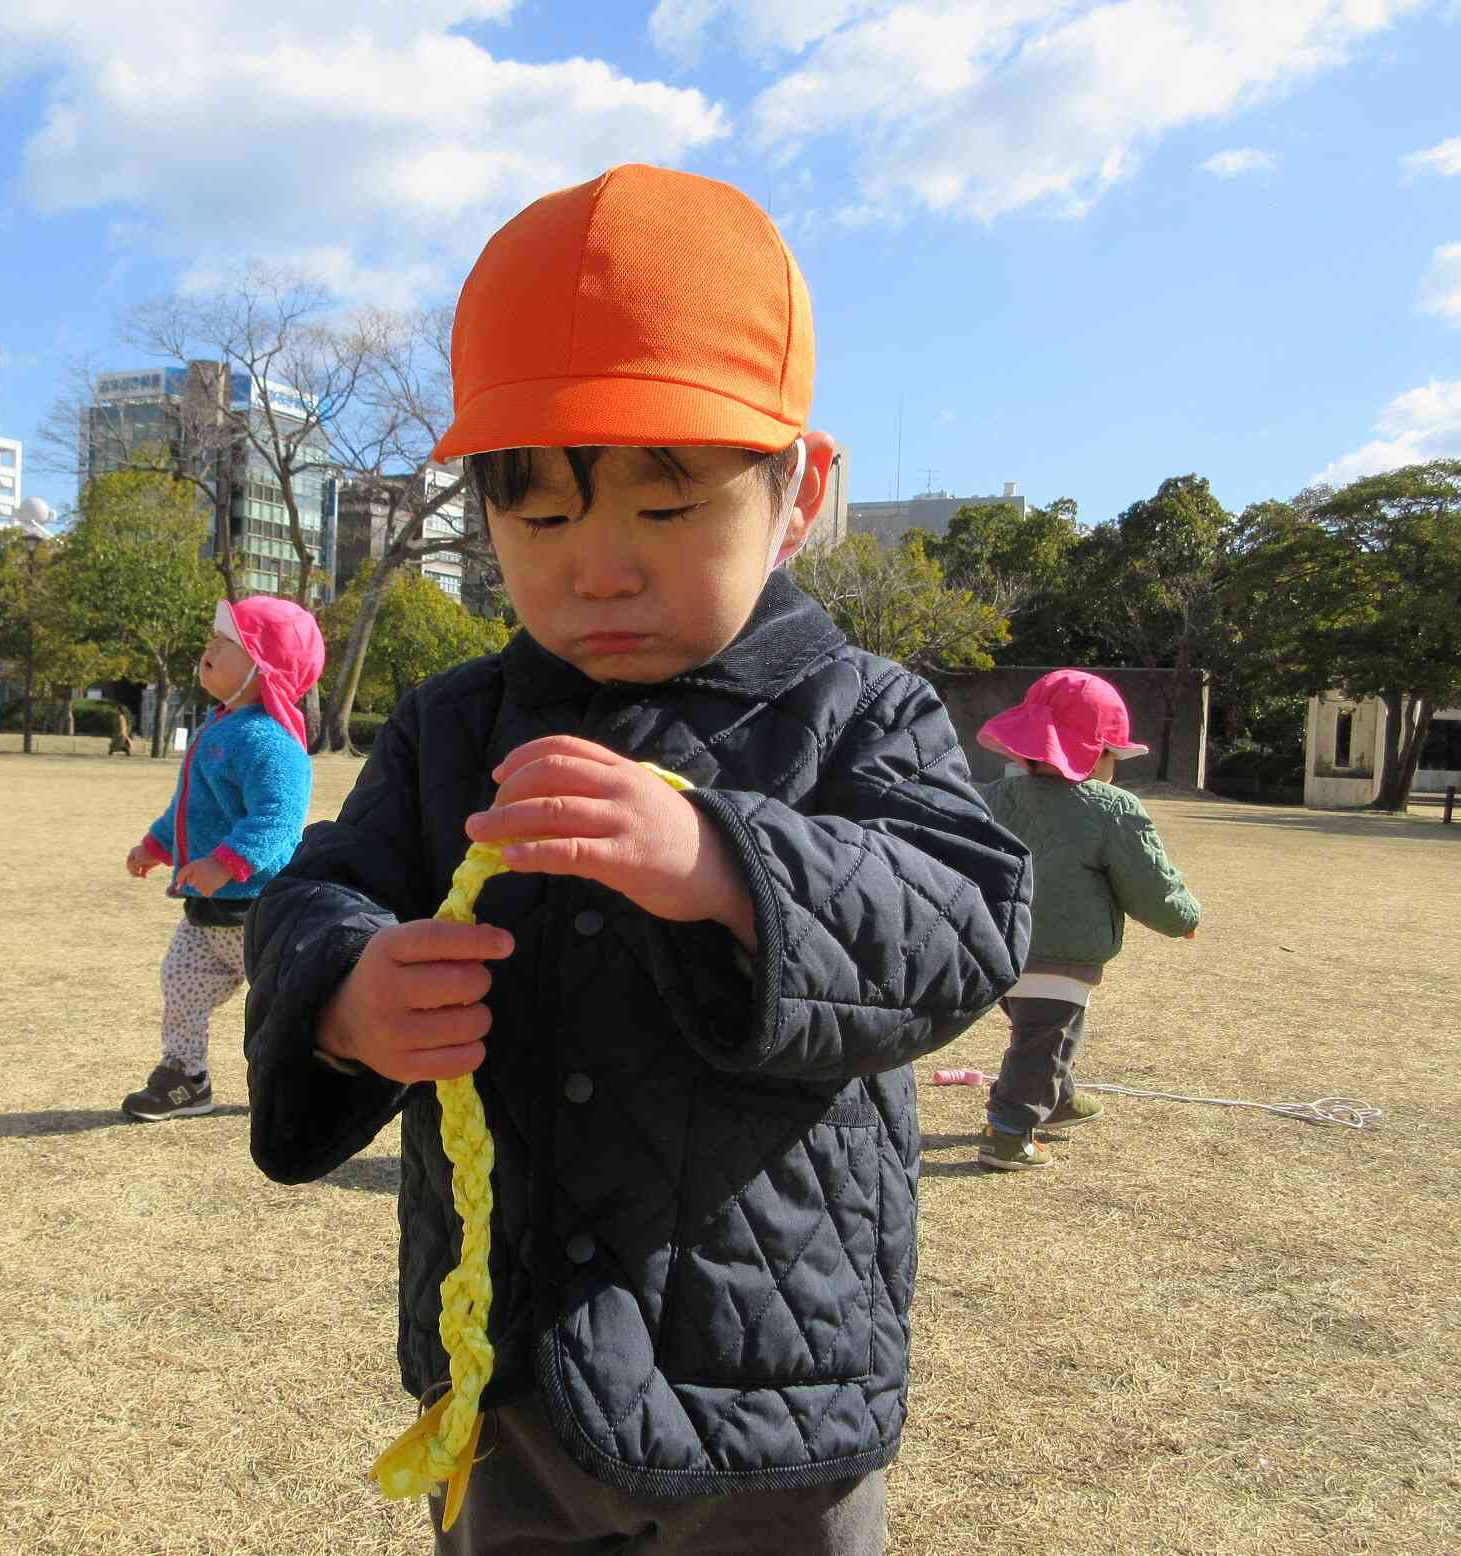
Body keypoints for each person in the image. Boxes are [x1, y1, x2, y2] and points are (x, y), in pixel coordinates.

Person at [242, 165, 1032, 1553]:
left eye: (665, 511)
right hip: (513, 1374)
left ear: (800, 494)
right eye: (539, 516)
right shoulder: (452, 726)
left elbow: (963, 911)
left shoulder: (858, 708)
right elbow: (319, 886)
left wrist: (728, 863)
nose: (595, 569)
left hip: (770, 1392)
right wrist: (347, 993)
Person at [972, 669, 1201, 1171]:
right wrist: (1182, 916)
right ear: (1097, 755)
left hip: (999, 951)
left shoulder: (991, 798)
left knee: (1042, 1031)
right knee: (1047, 1037)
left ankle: (1058, 1100)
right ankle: (1009, 1129)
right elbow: (1149, 882)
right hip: (1064, 953)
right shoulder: (1111, 808)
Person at [122, 595, 323, 1121]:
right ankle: (184, 1077)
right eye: (212, 640)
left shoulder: (271, 743)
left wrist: (226, 863)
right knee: (179, 982)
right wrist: (157, 845)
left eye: (225, 644)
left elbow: (278, 821)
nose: (209, 649)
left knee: (283, 1007)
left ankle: (305, 1087)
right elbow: (189, 809)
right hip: (208, 912)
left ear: (265, 667)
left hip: (258, 912)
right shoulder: (218, 726)